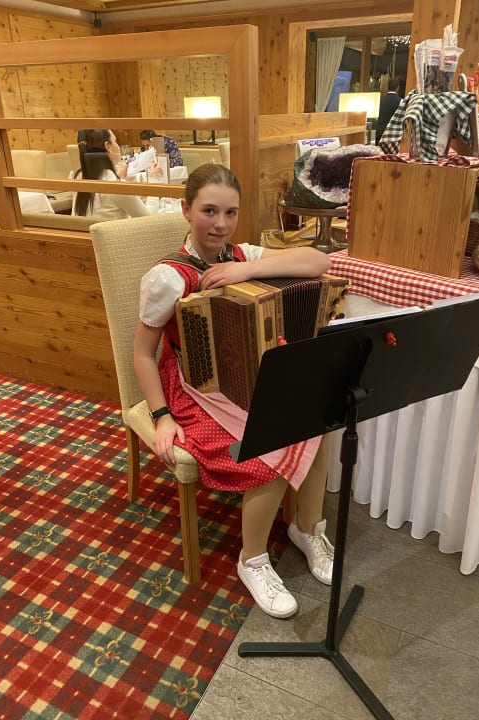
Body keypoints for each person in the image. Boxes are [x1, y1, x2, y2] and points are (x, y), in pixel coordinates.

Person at [134, 163, 335, 618]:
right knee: (270, 444)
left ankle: (307, 528)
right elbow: (143, 354)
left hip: (247, 376)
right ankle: (253, 560)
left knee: (320, 421)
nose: (220, 224)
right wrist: (161, 416)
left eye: (230, 212)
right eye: (208, 211)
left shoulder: (241, 254)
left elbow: (319, 262)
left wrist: (245, 270)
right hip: (193, 385)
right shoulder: (168, 277)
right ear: (186, 210)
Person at [73, 128, 151, 219]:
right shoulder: (118, 187)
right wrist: (154, 179)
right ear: (108, 146)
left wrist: (118, 177)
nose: (118, 146)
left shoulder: (79, 177)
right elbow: (150, 220)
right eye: (115, 141)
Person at [375, 78, 401, 144]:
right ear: (397, 87)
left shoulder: (380, 100)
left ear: (388, 87)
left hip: (379, 131)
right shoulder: (400, 101)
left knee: (378, 150)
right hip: (392, 133)